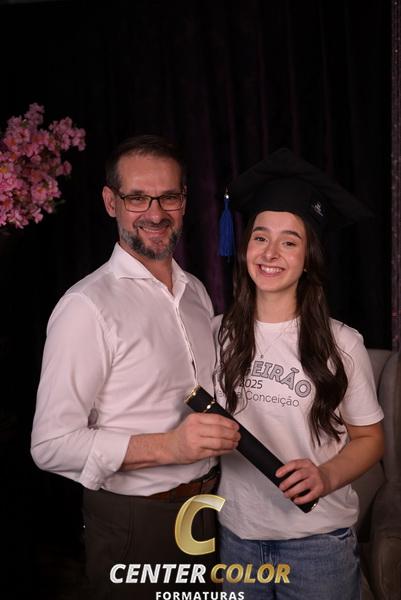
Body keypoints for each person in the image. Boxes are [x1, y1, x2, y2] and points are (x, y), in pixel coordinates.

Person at [31, 134, 240, 599]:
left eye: (169, 197)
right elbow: (49, 445)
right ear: (111, 202)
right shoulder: (86, 307)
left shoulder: (196, 292)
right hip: (135, 523)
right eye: (137, 197)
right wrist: (169, 446)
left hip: (209, 511)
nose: (155, 212)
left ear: (184, 201)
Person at [214, 148, 384, 600]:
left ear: (308, 257)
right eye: (260, 237)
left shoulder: (341, 343)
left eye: (289, 242)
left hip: (318, 545)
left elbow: (371, 439)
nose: (270, 253)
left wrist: (325, 477)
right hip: (238, 537)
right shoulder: (218, 333)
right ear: (245, 246)